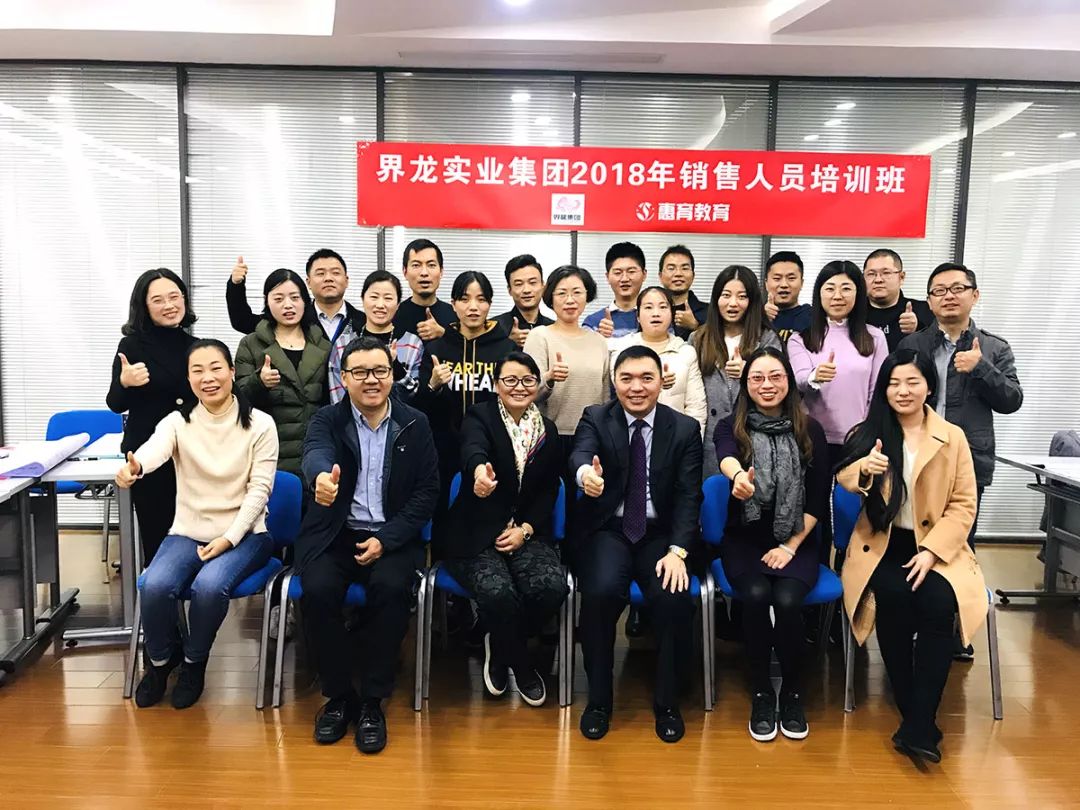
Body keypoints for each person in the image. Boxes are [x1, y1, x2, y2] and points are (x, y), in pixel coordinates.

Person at [836, 349, 987, 763]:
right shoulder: (868, 433)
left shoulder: (952, 437)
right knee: (895, 602)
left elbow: (964, 505)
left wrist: (932, 552)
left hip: (937, 548)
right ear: (883, 390)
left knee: (939, 605)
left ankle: (918, 723)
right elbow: (843, 477)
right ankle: (919, 720)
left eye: (912, 382)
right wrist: (864, 468)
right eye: (894, 383)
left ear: (929, 387)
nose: (902, 391)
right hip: (883, 544)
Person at [115, 339, 278, 709]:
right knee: (154, 585)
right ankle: (160, 662)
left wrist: (229, 538)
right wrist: (135, 468)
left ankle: (194, 662)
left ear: (232, 372)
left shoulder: (261, 424)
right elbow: (153, 451)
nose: (208, 378)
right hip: (189, 530)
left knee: (209, 587)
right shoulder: (178, 421)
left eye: (216, 368)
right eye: (198, 371)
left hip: (247, 533)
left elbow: (260, 491)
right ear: (188, 379)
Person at [296, 337, 439, 754]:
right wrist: (320, 478)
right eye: (360, 372)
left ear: (393, 375)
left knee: (391, 589)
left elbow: (427, 493)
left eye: (380, 371)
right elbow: (315, 453)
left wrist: (386, 539)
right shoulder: (327, 419)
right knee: (317, 589)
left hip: (392, 535)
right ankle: (339, 696)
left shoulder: (415, 423)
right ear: (344, 378)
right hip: (335, 533)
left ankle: (373, 701)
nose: (371, 380)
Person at [572, 346, 703, 744]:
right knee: (599, 593)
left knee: (672, 597)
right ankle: (599, 701)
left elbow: (689, 496)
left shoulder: (683, 429)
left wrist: (678, 551)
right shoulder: (597, 417)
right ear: (614, 382)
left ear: (662, 380)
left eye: (646, 378)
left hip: (660, 534)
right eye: (626, 378)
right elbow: (580, 454)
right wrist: (585, 475)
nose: (636, 387)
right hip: (609, 529)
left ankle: (667, 703)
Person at [713, 347, 830, 742]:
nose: (767, 385)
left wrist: (791, 546)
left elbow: (817, 500)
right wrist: (738, 480)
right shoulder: (731, 426)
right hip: (745, 537)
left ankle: (793, 693)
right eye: (757, 378)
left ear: (789, 382)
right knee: (756, 594)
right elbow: (727, 457)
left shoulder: (810, 430)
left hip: (797, 537)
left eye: (775, 376)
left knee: (788, 600)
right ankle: (762, 691)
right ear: (746, 384)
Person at [443, 352, 569, 706]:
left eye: (527, 380)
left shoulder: (547, 430)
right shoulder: (479, 416)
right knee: (498, 593)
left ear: (537, 385)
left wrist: (525, 529)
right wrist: (479, 473)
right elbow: (473, 448)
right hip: (475, 531)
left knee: (550, 588)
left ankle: (498, 645)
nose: (519, 387)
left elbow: (549, 490)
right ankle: (522, 666)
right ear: (497, 385)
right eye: (510, 380)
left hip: (526, 532)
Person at [898, 262, 1023, 554]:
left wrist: (982, 367)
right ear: (929, 301)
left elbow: (1012, 401)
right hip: (916, 455)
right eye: (939, 291)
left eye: (958, 289)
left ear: (974, 295)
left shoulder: (994, 348)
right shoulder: (912, 344)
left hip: (968, 458)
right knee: (911, 538)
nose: (949, 296)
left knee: (959, 543)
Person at [416, 271, 517, 554]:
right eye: (464, 299)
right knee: (444, 523)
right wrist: (433, 384)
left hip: (492, 452)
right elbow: (420, 406)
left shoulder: (506, 349)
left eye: (481, 299)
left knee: (486, 525)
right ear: (453, 304)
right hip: (443, 451)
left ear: (489, 305)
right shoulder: (437, 348)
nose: (473, 307)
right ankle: (443, 577)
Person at [107, 268, 198, 563]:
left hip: (191, 454)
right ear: (144, 306)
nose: (169, 305)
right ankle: (158, 588)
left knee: (194, 537)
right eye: (158, 300)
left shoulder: (195, 346)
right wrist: (124, 382)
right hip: (148, 455)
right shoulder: (131, 346)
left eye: (174, 297)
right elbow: (115, 404)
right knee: (158, 539)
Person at [787, 260, 888, 470]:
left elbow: (878, 391)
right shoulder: (800, 339)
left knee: (852, 491)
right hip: (812, 437)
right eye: (830, 288)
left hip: (859, 437)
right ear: (819, 293)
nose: (838, 296)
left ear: (858, 293)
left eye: (846, 289)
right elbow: (799, 379)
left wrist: (866, 429)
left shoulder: (875, 337)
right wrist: (815, 376)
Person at [523, 265, 611, 502]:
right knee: (550, 502)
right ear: (550, 298)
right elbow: (526, 393)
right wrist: (549, 379)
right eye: (562, 293)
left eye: (577, 292)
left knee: (587, 504)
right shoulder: (540, 336)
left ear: (587, 295)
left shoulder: (599, 341)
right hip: (550, 436)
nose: (570, 300)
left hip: (591, 437)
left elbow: (605, 397)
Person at [234, 268, 330, 480]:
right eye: (278, 299)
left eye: (295, 298)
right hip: (268, 453)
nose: (288, 305)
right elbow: (237, 399)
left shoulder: (323, 345)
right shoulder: (251, 344)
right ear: (267, 302)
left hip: (313, 452)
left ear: (305, 301)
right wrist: (259, 382)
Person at [692, 265, 782, 478]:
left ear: (752, 301)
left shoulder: (767, 338)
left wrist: (751, 373)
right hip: (708, 440)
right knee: (712, 493)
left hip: (753, 437)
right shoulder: (698, 338)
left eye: (742, 296)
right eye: (726, 295)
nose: (733, 303)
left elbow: (781, 387)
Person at [608, 286, 707, 435]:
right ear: (638, 316)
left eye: (663, 307)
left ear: (672, 314)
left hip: (674, 436)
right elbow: (618, 388)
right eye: (648, 307)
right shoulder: (621, 348)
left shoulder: (686, 352)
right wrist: (654, 381)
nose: (656, 313)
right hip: (629, 434)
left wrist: (692, 441)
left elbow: (696, 406)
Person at [327, 270, 423, 405]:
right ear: (363, 299)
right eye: (374, 297)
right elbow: (337, 397)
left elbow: (414, 395)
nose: (380, 305)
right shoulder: (343, 343)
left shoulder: (412, 343)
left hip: (399, 418)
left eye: (388, 298)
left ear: (398, 305)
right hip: (351, 418)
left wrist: (395, 366)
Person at [226, 249, 363, 342]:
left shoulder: (364, 321)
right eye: (320, 273)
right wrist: (236, 284)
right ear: (308, 282)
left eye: (335, 273)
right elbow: (242, 321)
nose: (328, 278)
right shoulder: (292, 316)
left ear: (347, 280)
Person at [863, 249, 934, 351]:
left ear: (901, 277)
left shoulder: (924, 310)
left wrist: (918, 329)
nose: (878, 280)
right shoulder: (854, 312)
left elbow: (941, 346)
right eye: (871, 274)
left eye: (886, 273)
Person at [582, 242, 647, 339]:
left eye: (631, 272)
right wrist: (599, 339)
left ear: (644, 275)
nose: (624, 279)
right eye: (617, 273)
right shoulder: (593, 322)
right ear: (607, 277)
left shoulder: (657, 318)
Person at [396, 238, 456, 342]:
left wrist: (443, 333)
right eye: (416, 265)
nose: (424, 273)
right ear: (405, 272)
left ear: (441, 271)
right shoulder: (394, 315)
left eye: (431, 265)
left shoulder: (456, 315)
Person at [494, 254, 553, 348]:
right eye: (519, 284)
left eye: (532, 282)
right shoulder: (494, 327)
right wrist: (508, 343)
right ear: (509, 290)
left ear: (543, 286)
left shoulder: (553, 328)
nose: (526, 290)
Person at [659, 245, 708, 340]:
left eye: (685, 268)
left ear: (693, 276)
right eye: (671, 268)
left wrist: (695, 326)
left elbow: (718, 344)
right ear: (660, 276)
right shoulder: (652, 311)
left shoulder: (710, 312)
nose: (678, 274)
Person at [763, 251, 812, 343]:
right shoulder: (754, 316)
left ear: (801, 283)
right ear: (766, 284)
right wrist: (761, 318)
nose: (784, 285)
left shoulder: (812, 317)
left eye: (791, 278)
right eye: (777, 279)